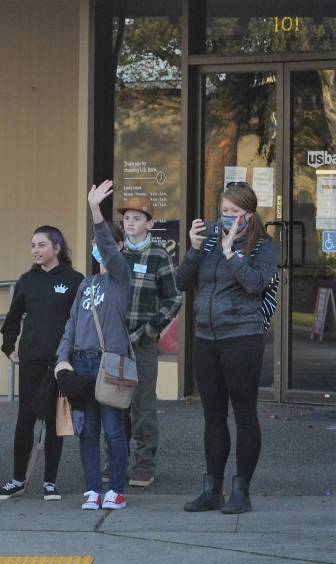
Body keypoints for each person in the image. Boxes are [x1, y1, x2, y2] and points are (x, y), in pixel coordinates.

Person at [176, 183, 276, 515]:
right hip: (206, 338)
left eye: (235, 213)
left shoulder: (264, 245)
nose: (227, 219)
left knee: (245, 415)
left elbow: (255, 284)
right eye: (224, 212)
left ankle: (241, 490)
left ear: (250, 214)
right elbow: (182, 281)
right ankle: (211, 490)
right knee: (212, 417)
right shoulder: (207, 242)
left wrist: (232, 252)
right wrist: (192, 248)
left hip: (242, 338)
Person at [54, 180, 131, 511]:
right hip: (82, 365)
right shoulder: (86, 284)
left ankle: (116, 488)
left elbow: (109, 251)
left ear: (118, 247)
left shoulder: (120, 277)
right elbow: (71, 323)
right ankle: (91, 489)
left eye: (106, 244)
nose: (98, 248)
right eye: (95, 244)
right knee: (87, 432)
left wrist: (95, 211)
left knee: (114, 431)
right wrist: (62, 359)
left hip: (111, 363)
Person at [0, 226, 84, 502]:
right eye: (33, 245)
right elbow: (12, 319)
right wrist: (9, 347)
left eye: (41, 245)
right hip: (32, 361)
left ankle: (49, 482)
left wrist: (71, 357)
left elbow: (80, 321)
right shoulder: (26, 281)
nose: (35, 250)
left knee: (57, 421)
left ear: (57, 248)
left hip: (60, 362)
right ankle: (18, 479)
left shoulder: (74, 280)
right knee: (26, 419)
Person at [108, 196, 182, 488]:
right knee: (113, 404)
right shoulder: (118, 256)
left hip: (143, 343)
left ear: (150, 224)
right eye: (127, 218)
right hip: (115, 343)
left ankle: (144, 466)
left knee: (142, 407)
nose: (130, 223)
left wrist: (150, 330)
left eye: (137, 218)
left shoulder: (159, 255)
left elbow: (174, 298)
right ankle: (114, 461)